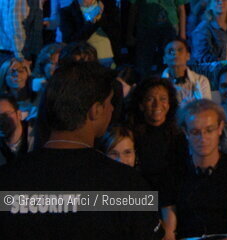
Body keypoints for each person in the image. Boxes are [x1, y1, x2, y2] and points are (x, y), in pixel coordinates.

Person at [0, 61, 162, 239]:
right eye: (109, 102)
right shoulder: (128, 185)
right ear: (95, 111)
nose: (113, 109)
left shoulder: (7, 181)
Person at [162, 98, 227, 240]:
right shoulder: (172, 173)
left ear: (220, 128)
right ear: (186, 132)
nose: (203, 138)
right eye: (195, 132)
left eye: (209, 130)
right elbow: (169, 231)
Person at [127, 76, 186, 195]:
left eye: (163, 99)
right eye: (150, 99)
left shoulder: (180, 135)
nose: (157, 104)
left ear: (169, 104)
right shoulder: (130, 136)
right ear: (141, 105)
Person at [59, 0, 121, 66]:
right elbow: (71, 41)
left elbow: (116, 31)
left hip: (109, 57)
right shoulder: (67, 12)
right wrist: (92, 21)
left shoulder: (107, 3)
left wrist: (100, 18)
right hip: (84, 61)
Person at [161, 39, 211, 105]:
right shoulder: (159, 84)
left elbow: (206, 108)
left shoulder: (201, 81)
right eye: (170, 51)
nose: (175, 53)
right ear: (164, 59)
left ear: (188, 56)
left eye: (179, 50)